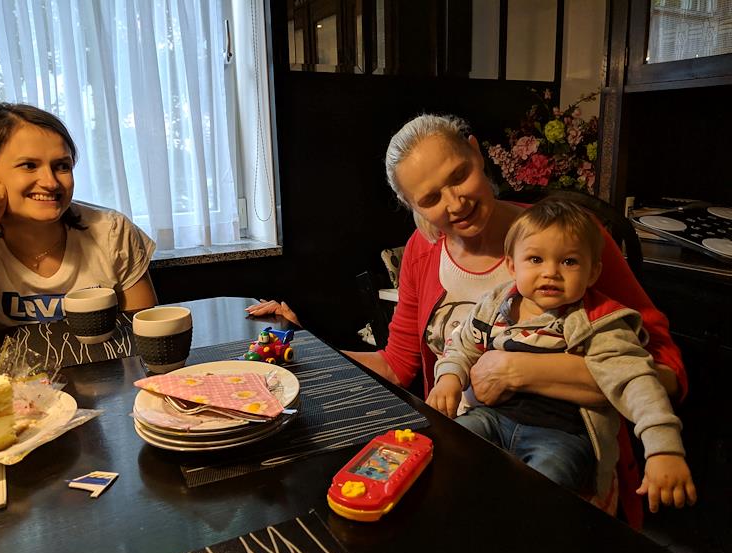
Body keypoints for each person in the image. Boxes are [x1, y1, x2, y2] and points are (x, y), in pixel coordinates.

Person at [246, 113, 688, 526]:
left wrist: (516, 370)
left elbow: (664, 366)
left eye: (459, 175)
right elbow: (396, 366)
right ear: (412, 206)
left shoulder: (567, 240)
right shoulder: (422, 251)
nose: (455, 202)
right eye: (430, 198)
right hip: (470, 451)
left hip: (565, 456)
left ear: (476, 152)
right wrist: (305, 345)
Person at [432, 197, 696, 512]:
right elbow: (462, 344)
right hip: (492, 418)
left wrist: (663, 449)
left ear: (593, 272)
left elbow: (637, 382)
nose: (551, 272)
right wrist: (449, 377)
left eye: (569, 262)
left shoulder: (600, 322)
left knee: (540, 493)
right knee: (446, 450)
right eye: (535, 259)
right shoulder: (494, 305)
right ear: (512, 265)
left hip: (560, 437)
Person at [0, 102, 157, 358]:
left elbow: (142, 337)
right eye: (29, 165)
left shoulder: (111, 231)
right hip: (7, 382)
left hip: (104, 377)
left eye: (62, 166)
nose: (50, 182)